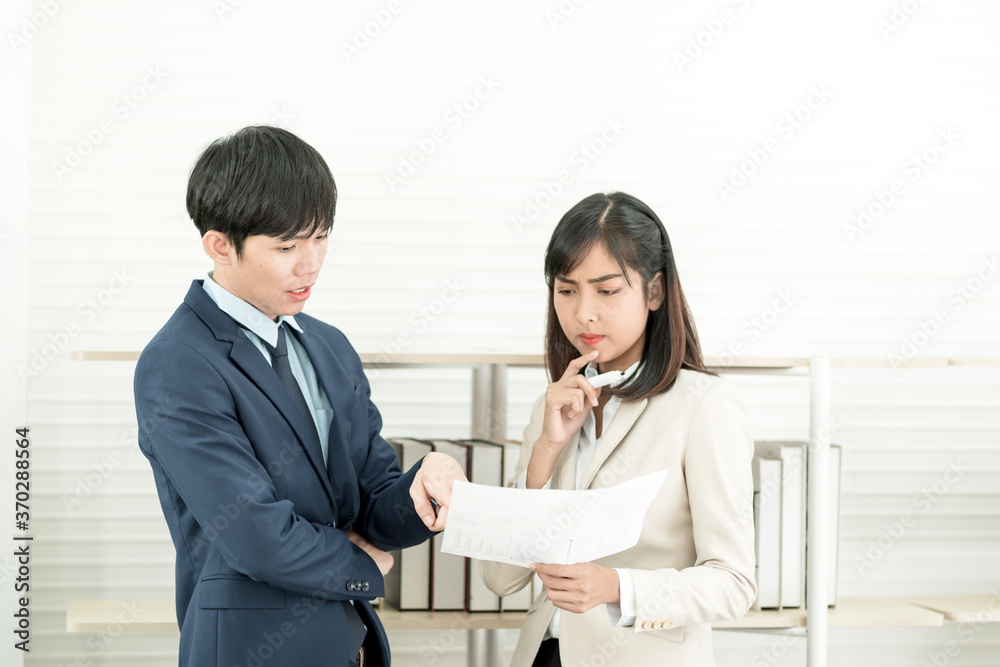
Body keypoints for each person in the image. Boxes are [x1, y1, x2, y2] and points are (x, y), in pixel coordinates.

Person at [134, 125, 465, 667]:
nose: (310, 263)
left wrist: (423, 487)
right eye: (287, 246)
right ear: (220, 245)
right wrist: (362, 563)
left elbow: (371, 498)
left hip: (350, 645)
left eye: (320, 237)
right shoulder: (178, 363)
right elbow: (253, 533)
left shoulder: (327, 345)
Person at [480, 192, 756, 666]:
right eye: (566, 290)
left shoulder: (705, 407)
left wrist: (616, 587)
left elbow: (733, 583)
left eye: (607, 291)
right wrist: (546, 451)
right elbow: (499, 579)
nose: (584, 312)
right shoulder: (553, 405)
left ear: (654, 291)